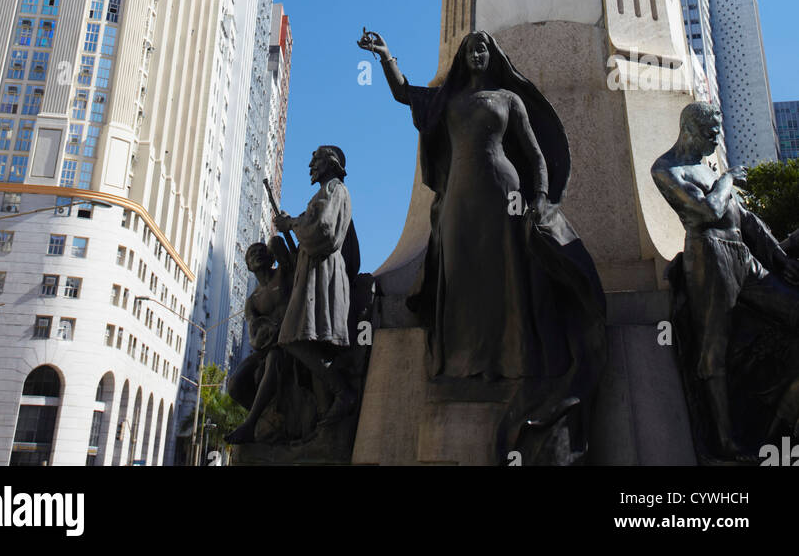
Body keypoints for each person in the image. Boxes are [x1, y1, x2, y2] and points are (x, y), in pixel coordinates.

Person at [358, 30, 604, 400]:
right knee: (459, 274)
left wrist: (538, 196)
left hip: (504, 194)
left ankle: (512, 362)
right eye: (471, 50)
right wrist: (385, 55)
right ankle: (461, 364)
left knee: (504, 275)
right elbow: (404, 94)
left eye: (483, 49)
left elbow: (535, 155)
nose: (477, 54)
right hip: (459, 196)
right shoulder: (448, 99)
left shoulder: (508, 100)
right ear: (463, 57)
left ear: (493, 57)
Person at [652, 103, 799, 458]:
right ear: (690, 129)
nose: (716, 139)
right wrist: (728, 179)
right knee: (713, 348)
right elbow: (707, 212)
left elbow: (745, 219)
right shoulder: (666, 169)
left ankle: (782, 419)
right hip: (709, 257)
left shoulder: (706, 168)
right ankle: (724, 440)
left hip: (742, 256)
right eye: (711, 133)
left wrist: (781, 261)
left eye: (718, 133)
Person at [272, 146, 360, 425]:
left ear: (331, 164)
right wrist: (293, 225)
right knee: (305, 342)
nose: (310, 166)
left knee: (293, 339)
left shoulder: (336, 191)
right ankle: (328, 411)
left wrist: (292, 224)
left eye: (316, 161)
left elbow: (322, 230)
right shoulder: (325, 192)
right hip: (312, 276)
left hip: (323, 277)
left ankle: (343, 393)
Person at [225, 238, 294, 445]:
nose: (256, 254)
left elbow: (282, 248)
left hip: (291, 342)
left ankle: (250, 424)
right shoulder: (252, 300)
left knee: (274, 359)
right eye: (251, 253)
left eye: (260, 250)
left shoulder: (284, 274)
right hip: (265, 348)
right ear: (247, 265)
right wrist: (262, 339)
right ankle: (268, 420)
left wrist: (275, 240)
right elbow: (253, 337)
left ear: (270, 257)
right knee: (235, 384)